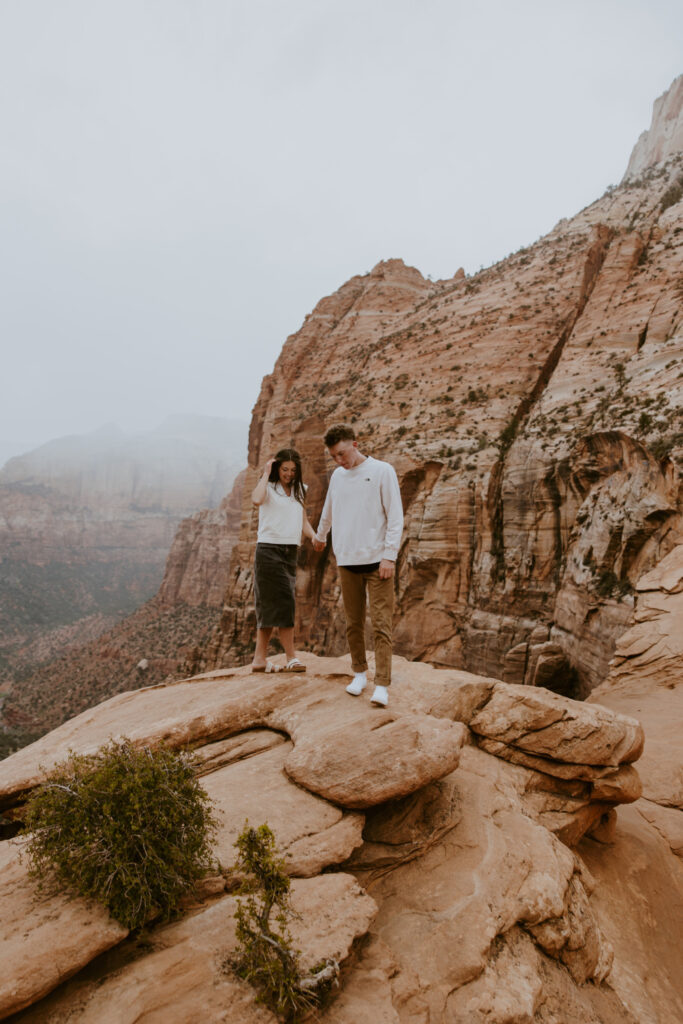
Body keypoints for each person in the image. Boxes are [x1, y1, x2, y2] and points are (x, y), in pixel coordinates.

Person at [313, 424, 403, 707]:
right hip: (347, 560)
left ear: (354, 443)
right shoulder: (338, 476)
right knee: (352, 624)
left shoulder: (382, 471)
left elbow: (396, 516)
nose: (339, 461)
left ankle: (383, 685)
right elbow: (328, 509)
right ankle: (359, 674)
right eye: (334, 457)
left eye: (341, 453)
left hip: (378, 563)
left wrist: (390, 555)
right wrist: (320, 535)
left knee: (381, 625)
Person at [251, 447, 316, 673]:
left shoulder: (300, 490)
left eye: (293, 470)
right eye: (284, 469)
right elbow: (256, 500)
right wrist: (267, 472)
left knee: (273, 605)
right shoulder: (268, 487)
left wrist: (315, 537)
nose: (288, 473)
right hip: (268, 550)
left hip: (289, 552)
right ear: (278, 468)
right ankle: (291, 657)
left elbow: (303, 521)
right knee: (282, 603)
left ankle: (260, 659)